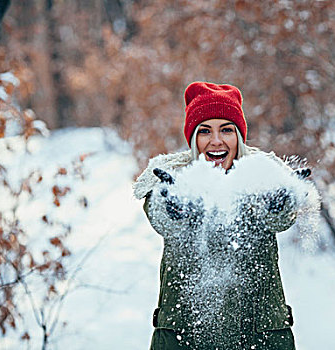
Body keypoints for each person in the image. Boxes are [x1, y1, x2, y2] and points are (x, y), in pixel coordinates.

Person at [133, 82, 316, 349]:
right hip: (184, 336)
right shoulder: (174, 179)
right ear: (193, 138)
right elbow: (160, 217)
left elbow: (280, 219)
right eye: (204, 131)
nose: (216, 141)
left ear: (239, 137)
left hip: (259, 335)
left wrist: (281, 202)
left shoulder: (262, 175)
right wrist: (175, 207)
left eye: (226, 130)